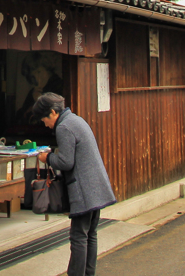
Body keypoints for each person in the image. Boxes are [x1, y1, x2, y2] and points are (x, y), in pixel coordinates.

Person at [33, 93, 115, 276]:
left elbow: (66, 162)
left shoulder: (64, 127)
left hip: (84, 189)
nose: (45, 124)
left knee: (78, 236)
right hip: (97, 186)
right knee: (90, 234)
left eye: (44, 119)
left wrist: (48, 158)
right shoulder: (76, 120)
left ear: (53, 113)